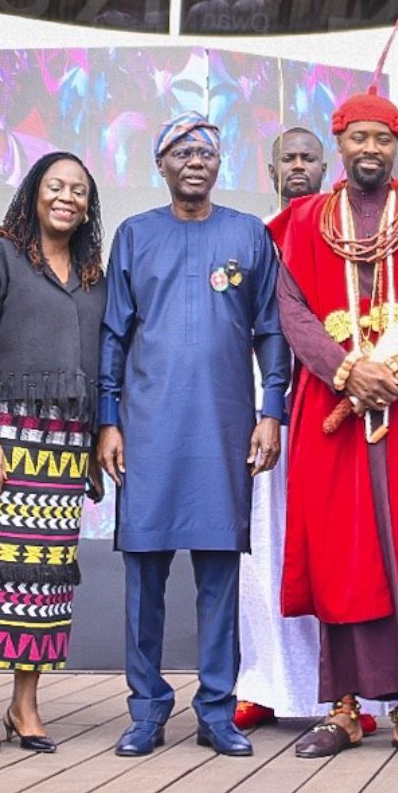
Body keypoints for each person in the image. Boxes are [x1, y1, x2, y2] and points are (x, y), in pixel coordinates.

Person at [271, 84, 398, 761]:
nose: (370, 149)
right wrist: (346, 373)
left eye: (382, 138)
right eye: (358, 137)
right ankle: (343, 709)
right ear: (339, 144)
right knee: (342, 554)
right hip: (331, 415)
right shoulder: (304, 220)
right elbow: (293, 311)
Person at [97, 113, 289, 759]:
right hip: (148, 433)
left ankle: (215, 710)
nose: (195, 160)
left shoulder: (249, 235)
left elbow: (270, 329)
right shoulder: (134, 235)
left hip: (224, 428)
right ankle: (146, 711)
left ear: (219, 163)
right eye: (181, 150)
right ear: (161, 164)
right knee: (144, 577)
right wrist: (108, 421)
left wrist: (271, 412)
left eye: (206, 150)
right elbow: (114, 335)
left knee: (218, 576)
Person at [0, 152, 107, 756]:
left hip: (65, 450)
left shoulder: (93, 274)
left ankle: (26, 704)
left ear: (89, 206)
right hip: (6, 438)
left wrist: (95, 439)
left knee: (45, 582)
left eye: (79, 191)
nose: (67, 197)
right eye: (56, 186)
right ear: (34, 193)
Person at [234, 129, 388, 735]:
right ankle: (266, 685)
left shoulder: (350, 232)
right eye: (287, 159)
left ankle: (347, 696)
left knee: (335, 553)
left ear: (328, 165)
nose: (298, 166)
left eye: (307, 158)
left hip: (335, 409)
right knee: (265, 552)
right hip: (263, 412)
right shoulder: (255, 235)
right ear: (270, 168)